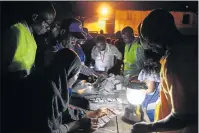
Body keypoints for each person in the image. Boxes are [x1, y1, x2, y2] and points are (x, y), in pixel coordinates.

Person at [131, 9, 198, 133]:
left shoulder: (175, 61)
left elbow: (182, 117)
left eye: (150, 43)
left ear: (158, 37)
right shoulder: (190, 48)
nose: (152, 49)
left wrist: (148, 127)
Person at [138, 50, 161, 122]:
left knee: (152, 120)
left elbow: (150, 89)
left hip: (152, 104)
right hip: (149, 101)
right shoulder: (147, 70)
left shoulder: (150, 72)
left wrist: (140, 92)